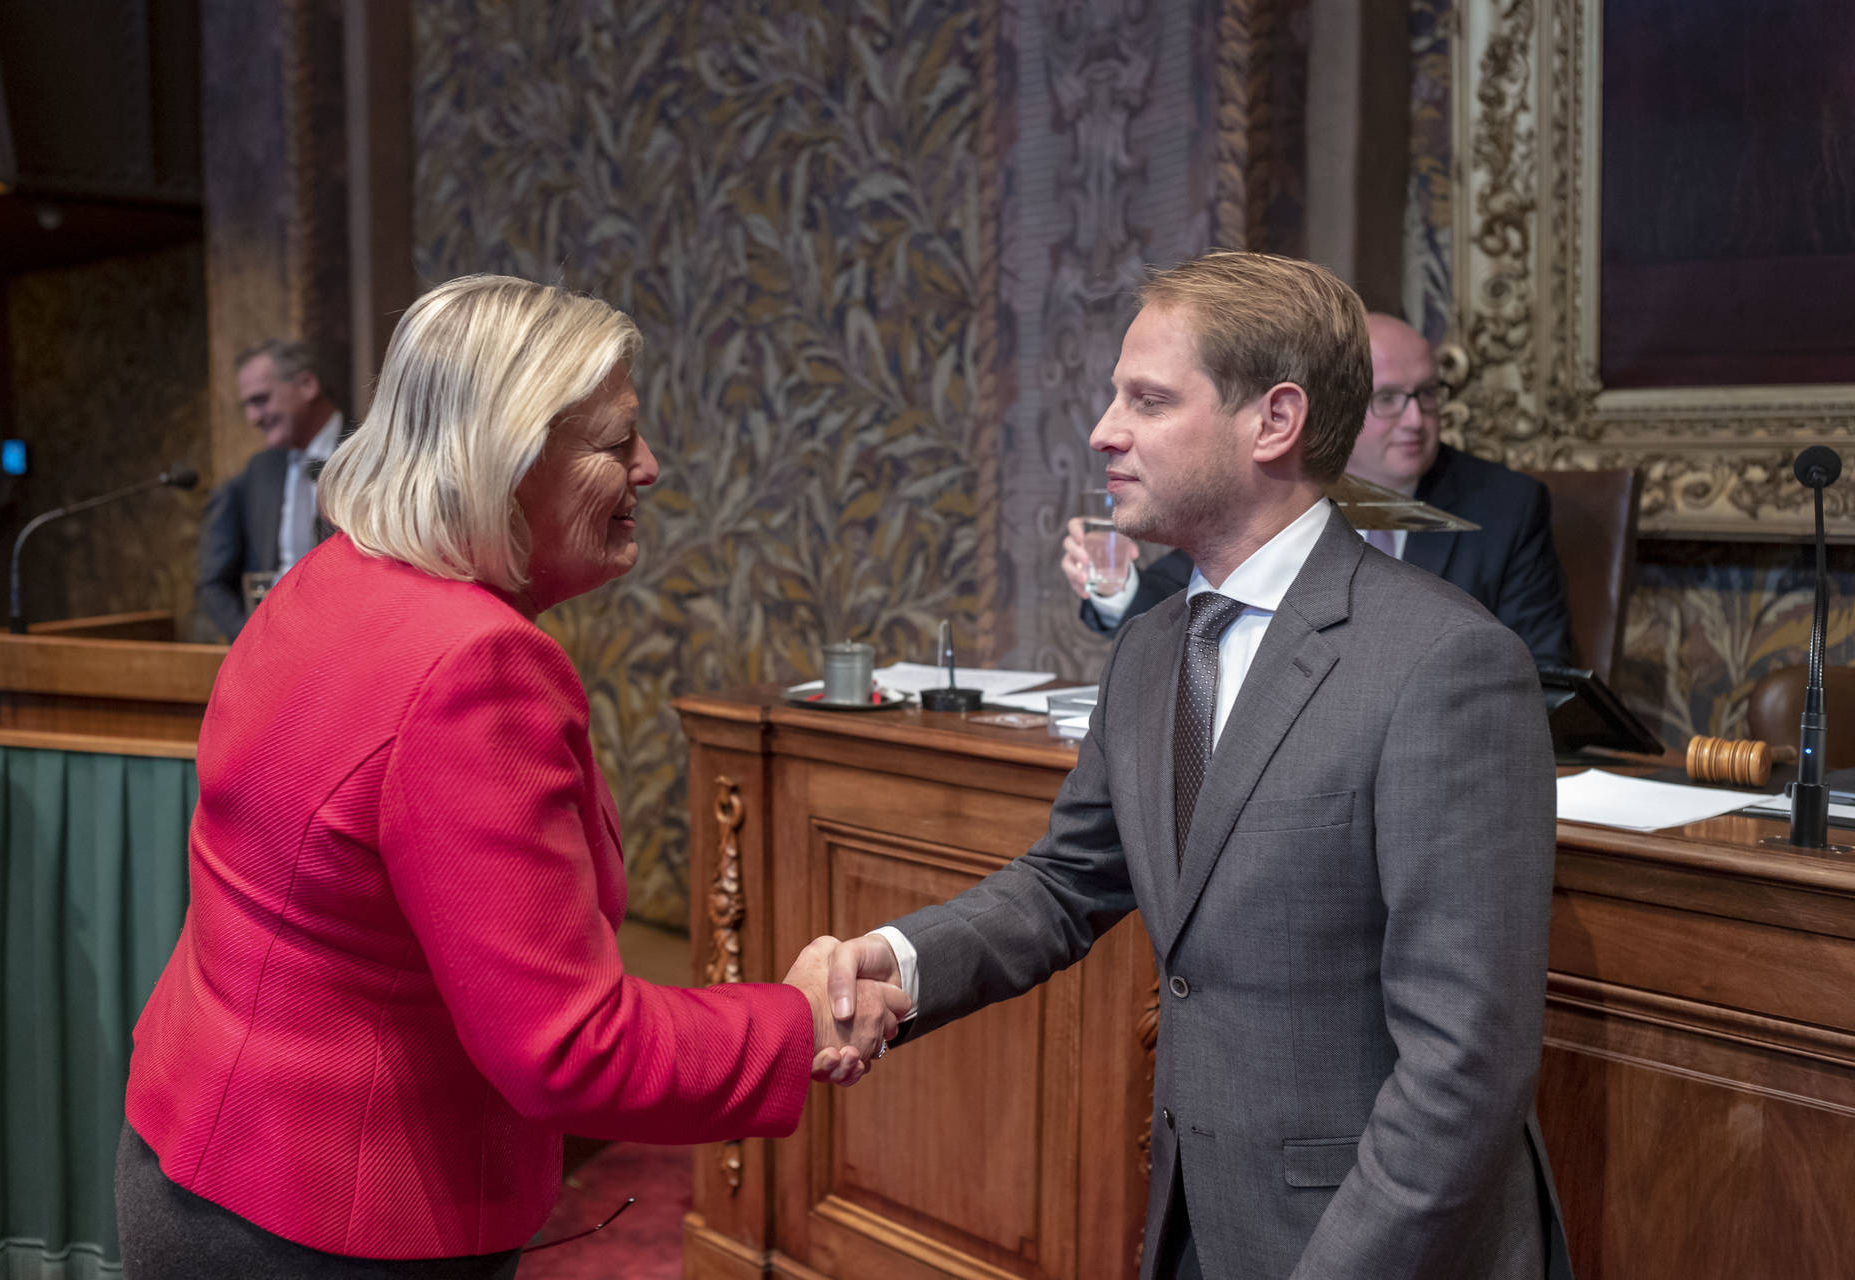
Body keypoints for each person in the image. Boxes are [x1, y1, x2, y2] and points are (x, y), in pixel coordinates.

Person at [120, 276, 906, 1279]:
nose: (650, 467)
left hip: (195, 1154)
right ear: (508, 454)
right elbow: (568, 1046)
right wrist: (794, 1022)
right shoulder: (475, 667)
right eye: (618, 441)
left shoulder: (331, 575)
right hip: (329, 1222)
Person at [826, 253, 1569, 1279]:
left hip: (1371, 1245)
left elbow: (1465, 1069)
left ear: (1273, 421)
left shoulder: (1446, 663)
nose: (1103, 430)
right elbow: (1065, 880)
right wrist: (899, 961)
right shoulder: (1152, 645)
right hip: (1194, 1218)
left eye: (1147, 398)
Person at [1063, 312, 1573, 666]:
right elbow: (1168, 600)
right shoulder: (1284, 484)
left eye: (1428, 395)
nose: (1416, 419)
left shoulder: (1506, 504)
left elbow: (1541, 669)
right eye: (1390, 398)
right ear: (1340, 407)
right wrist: (1113, 581)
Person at [195, 340, 347, 640]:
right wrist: (249, 643)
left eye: (261, 400)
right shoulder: (259, 471)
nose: (252, 418)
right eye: (247, 406)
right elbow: (213, 581)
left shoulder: (375, 455)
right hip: (274, 654)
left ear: (306, 385)